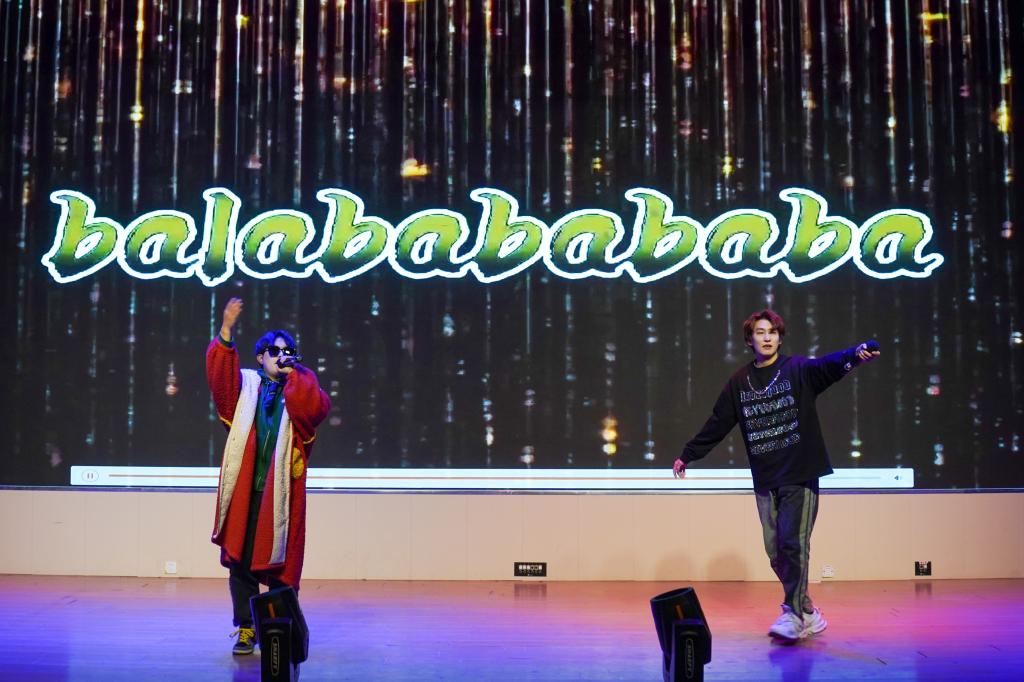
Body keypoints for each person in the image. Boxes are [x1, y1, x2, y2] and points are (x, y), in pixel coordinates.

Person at [672, 309, 879, 643]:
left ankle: (793, 615)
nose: (767, 337)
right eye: (760, 332)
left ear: (780, 338)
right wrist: (688, 454)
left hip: (800, 472)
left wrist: (855, 355)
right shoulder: (739, 382)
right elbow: (718, 422)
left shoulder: (797, 370)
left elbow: (828, 366)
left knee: (793, 543)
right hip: (767, 478)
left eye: (772, 332)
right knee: (776, 552)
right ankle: (808, 611)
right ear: (750, 340)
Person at [207, 297, 330, 655]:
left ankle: (279, 630)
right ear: (260, 357)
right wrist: (226, 329)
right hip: (248, 491)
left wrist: (296, 374)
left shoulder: (298, 390)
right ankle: (246, 628)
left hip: (281, 495)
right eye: (274, 352)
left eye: (287, 352)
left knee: (280, 567)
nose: (281, 357)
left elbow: (317, 406)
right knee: (241, 563)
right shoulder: (246, 387)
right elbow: (220, 382)